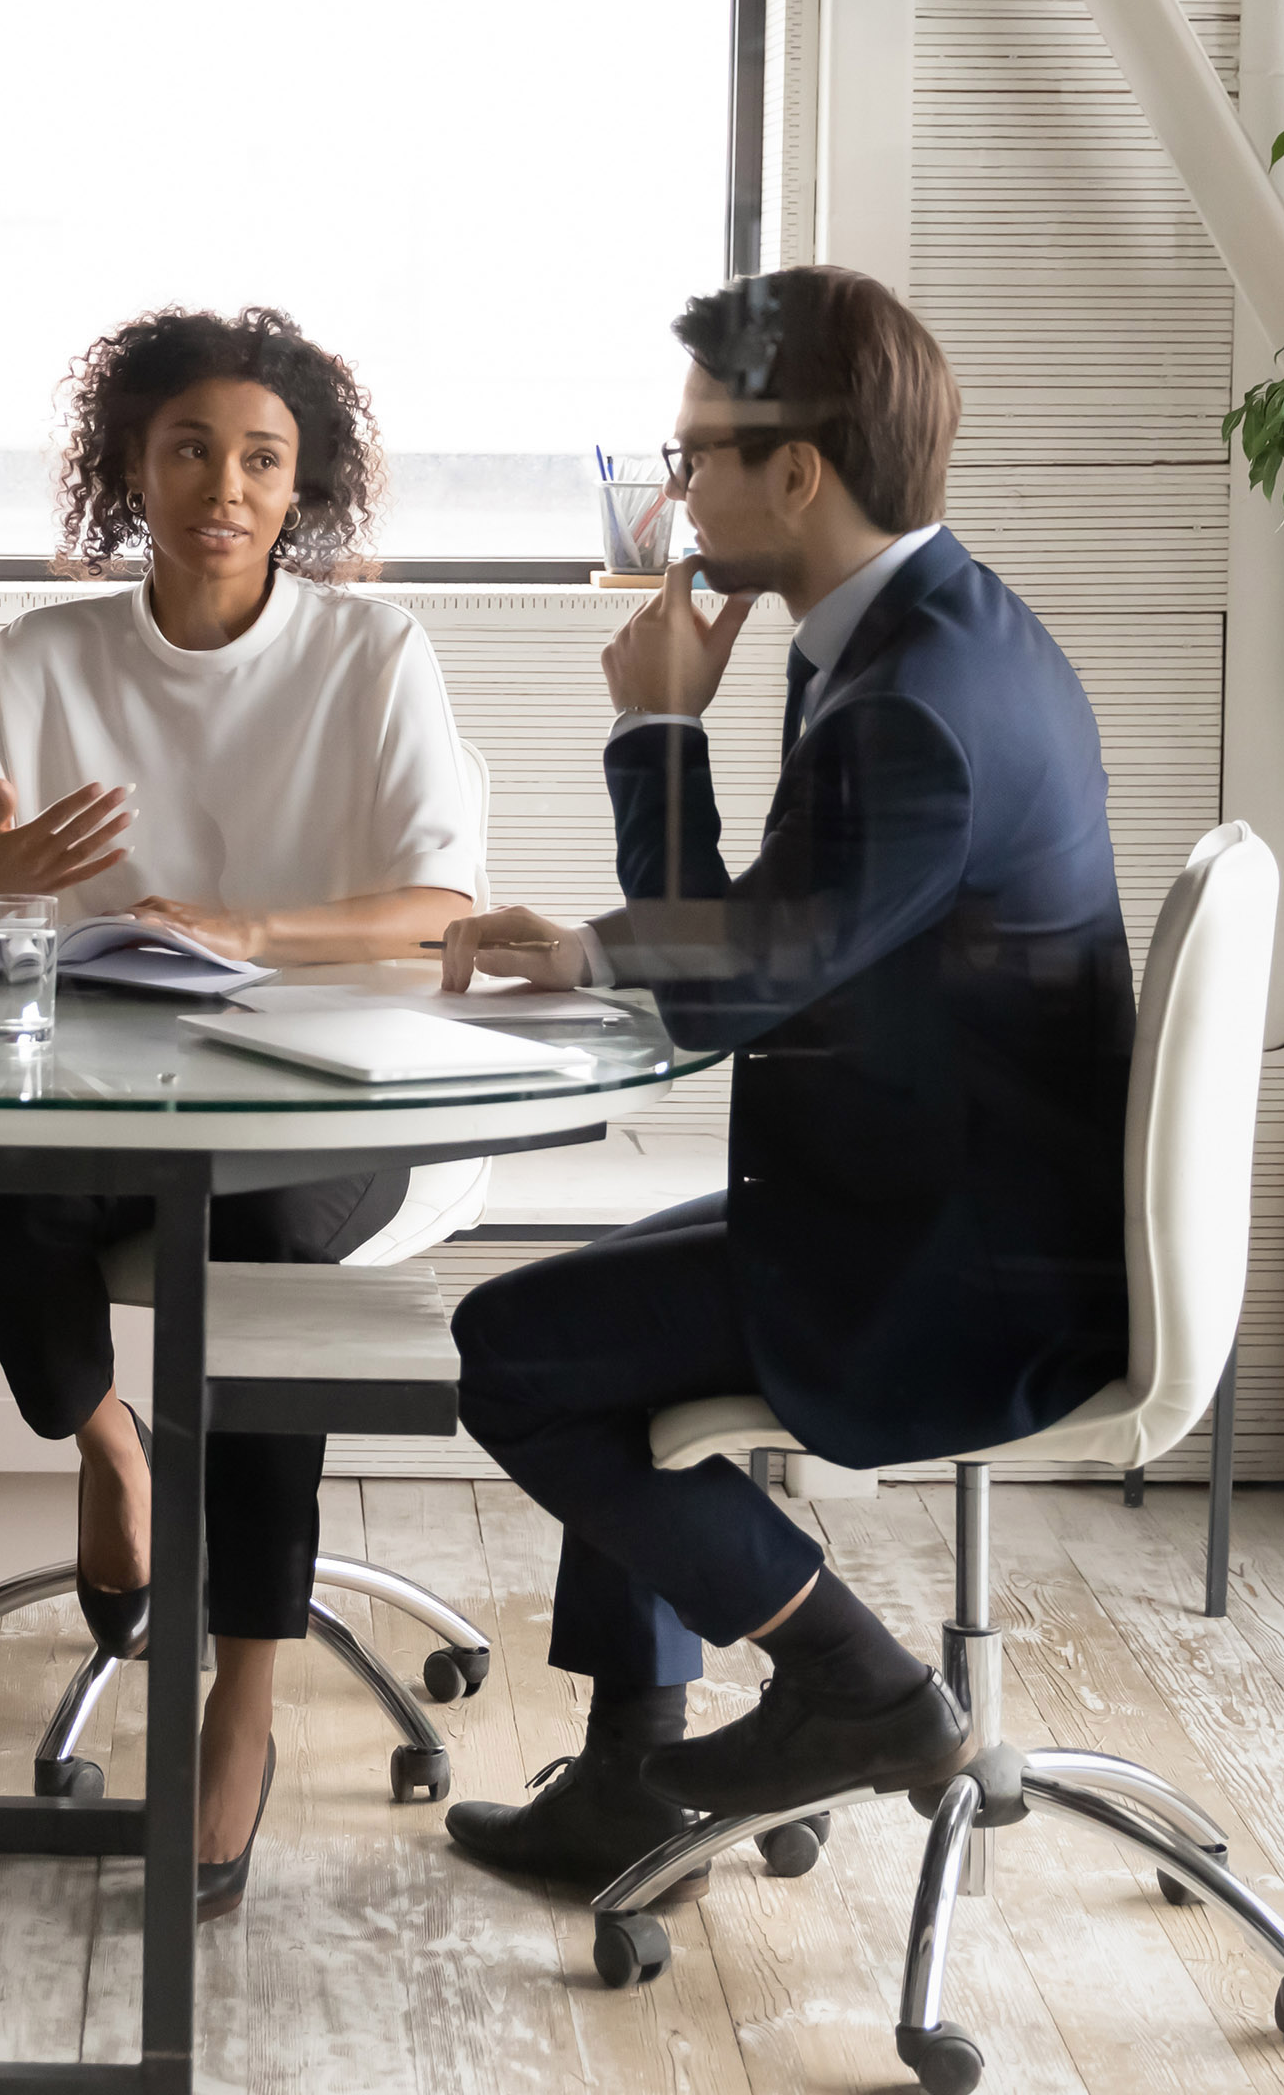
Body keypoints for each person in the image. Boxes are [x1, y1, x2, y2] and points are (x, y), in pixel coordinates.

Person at [433, 268, 1134, 1901]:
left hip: (955, 1274)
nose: (672, 497)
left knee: (516, 1356)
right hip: (939, 1200)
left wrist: (660, 732)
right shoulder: (921, 630)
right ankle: (629, 1776)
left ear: (797, 472)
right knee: (593, 1310)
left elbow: (725, 1004)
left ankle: (862, 1685)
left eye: (692, 459)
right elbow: (781, 934)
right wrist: (604, 949)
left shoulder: (910, 709)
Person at [0, 307, 481, 1922]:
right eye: (189, 449)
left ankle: (242, 1693)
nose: (224, 483)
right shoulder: (49, 656)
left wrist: (251, 933)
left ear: (305, 487)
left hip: (323, 1108)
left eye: (261, 457)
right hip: (101, 1089)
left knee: (258, 1246)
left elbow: (443, 905)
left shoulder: (373, 656)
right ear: (130, 467)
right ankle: (108, 1443)